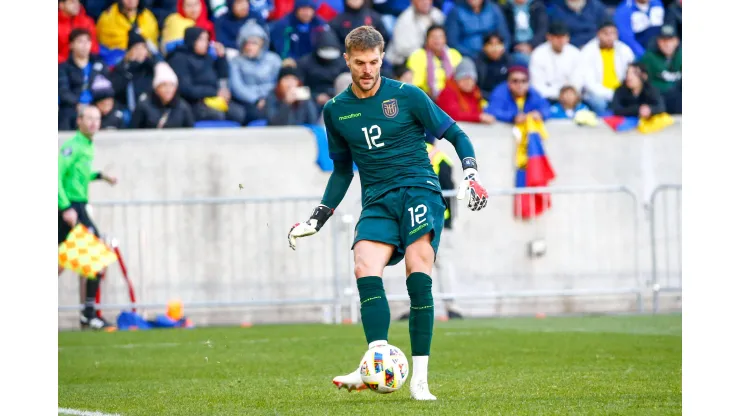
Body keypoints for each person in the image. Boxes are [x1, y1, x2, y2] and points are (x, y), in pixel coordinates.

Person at [287, 26, 489, 400]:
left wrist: (471, 173)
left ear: (382, 58)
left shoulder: (408, 95)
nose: (367, 70)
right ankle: (377, 361)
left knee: (418, 271)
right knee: (364, 265)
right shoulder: (336, 111)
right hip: (377, 198)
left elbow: (457, 134)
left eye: (374, 62)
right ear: (347, 60)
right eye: (360, 63)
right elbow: (343, 170)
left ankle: (420, 380)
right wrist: (317, 218)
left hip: (419, 191)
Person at [58, 106, 118, 330]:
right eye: (89, 118)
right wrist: (65, 207)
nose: (94, 123)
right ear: (79, 121)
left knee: (66, 261)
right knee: (97, 257)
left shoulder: (87, 146)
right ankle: (89, 314)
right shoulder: (72, 146)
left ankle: (88, 314)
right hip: (70, 207)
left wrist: (100, 176)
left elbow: (76, 177)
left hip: (76, 206)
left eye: (97, 119)